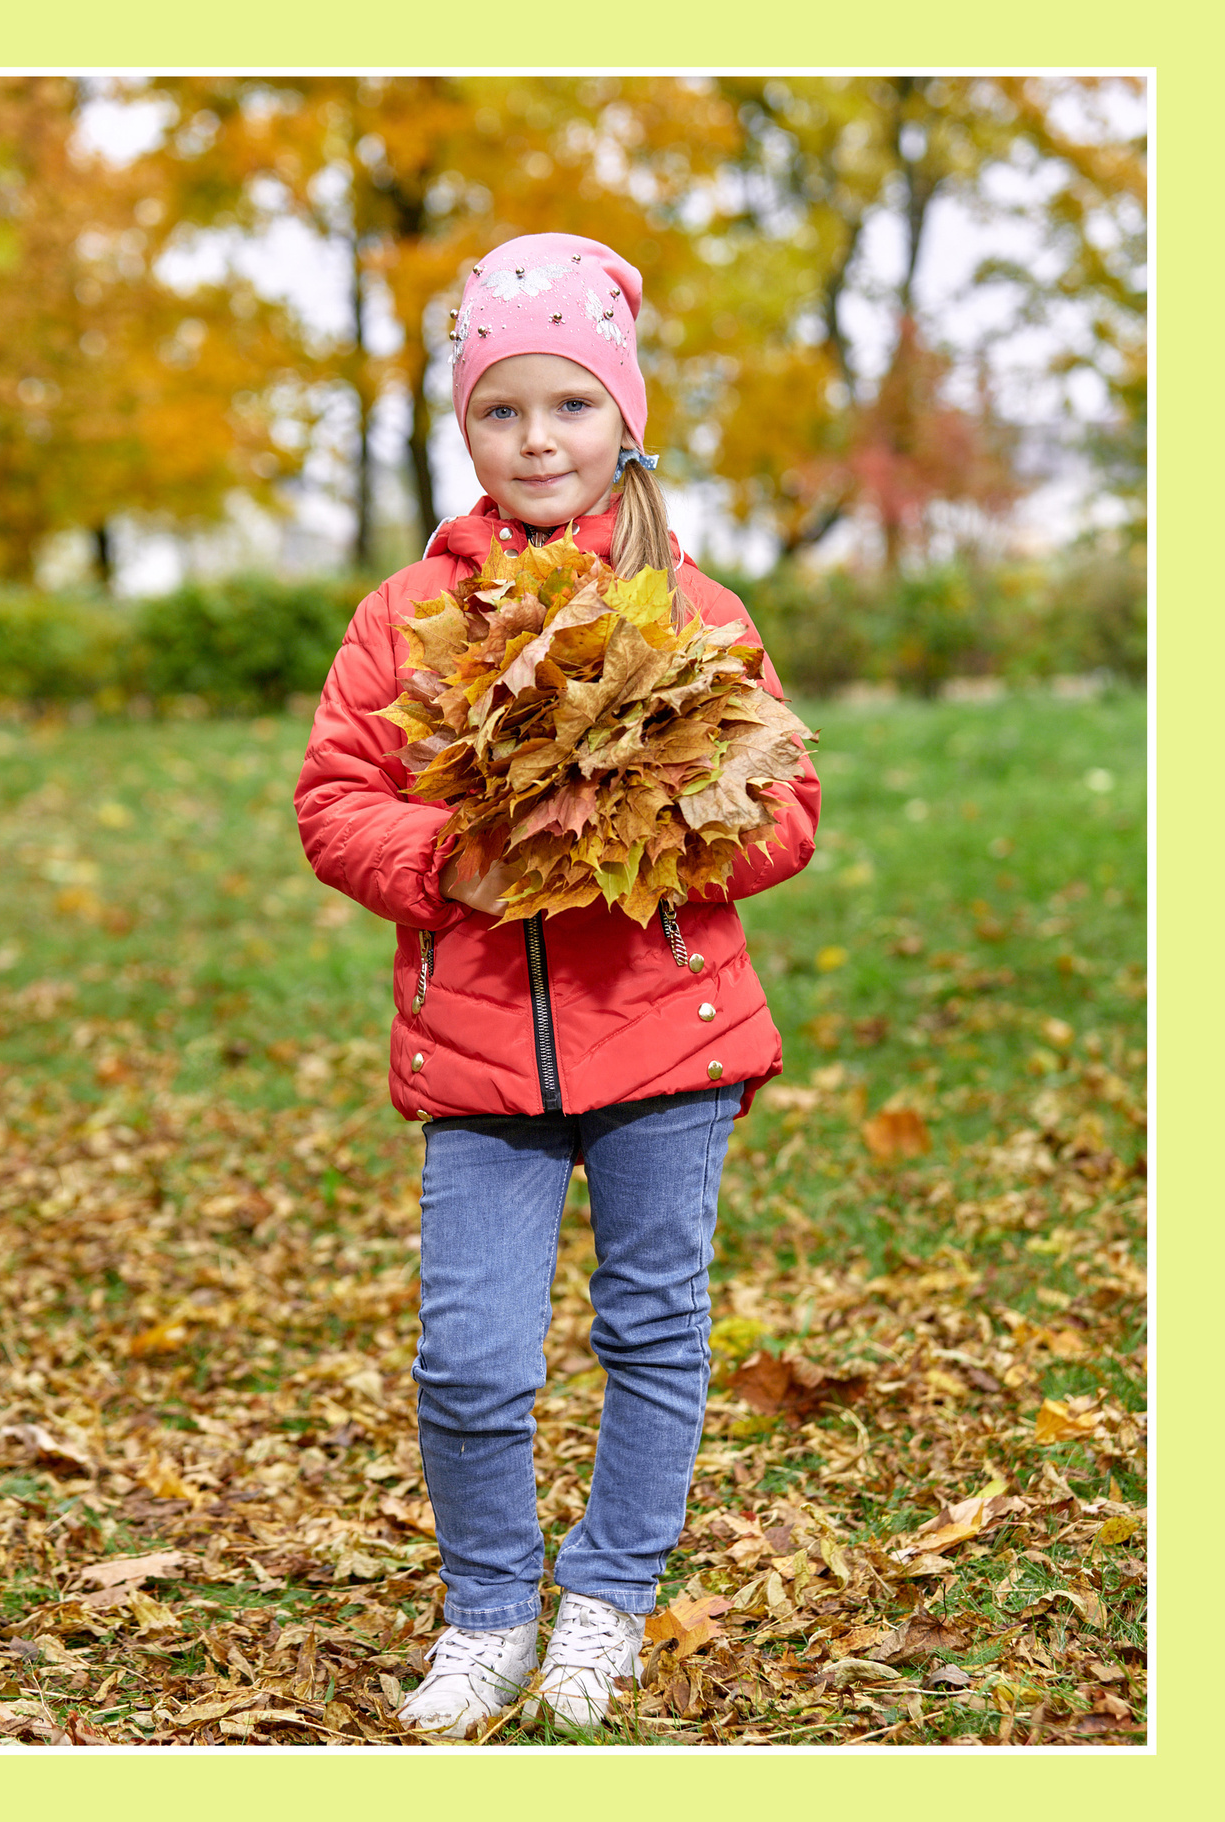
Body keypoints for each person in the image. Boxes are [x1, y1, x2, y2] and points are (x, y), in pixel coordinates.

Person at [293, 233, 821, 1737]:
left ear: (623, 419)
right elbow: (336, 798)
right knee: (468, 1353)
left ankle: (605, 1601)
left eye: (569, 407)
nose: (538, 440)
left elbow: (786, 805)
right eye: (504, 410)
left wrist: (667, 827)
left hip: (668, 1039)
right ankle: (483, 1609)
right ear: (467, 426)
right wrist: (450, 857)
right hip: (480, 1058)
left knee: (653, 1330)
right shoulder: (409, 616)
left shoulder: (691, 609)